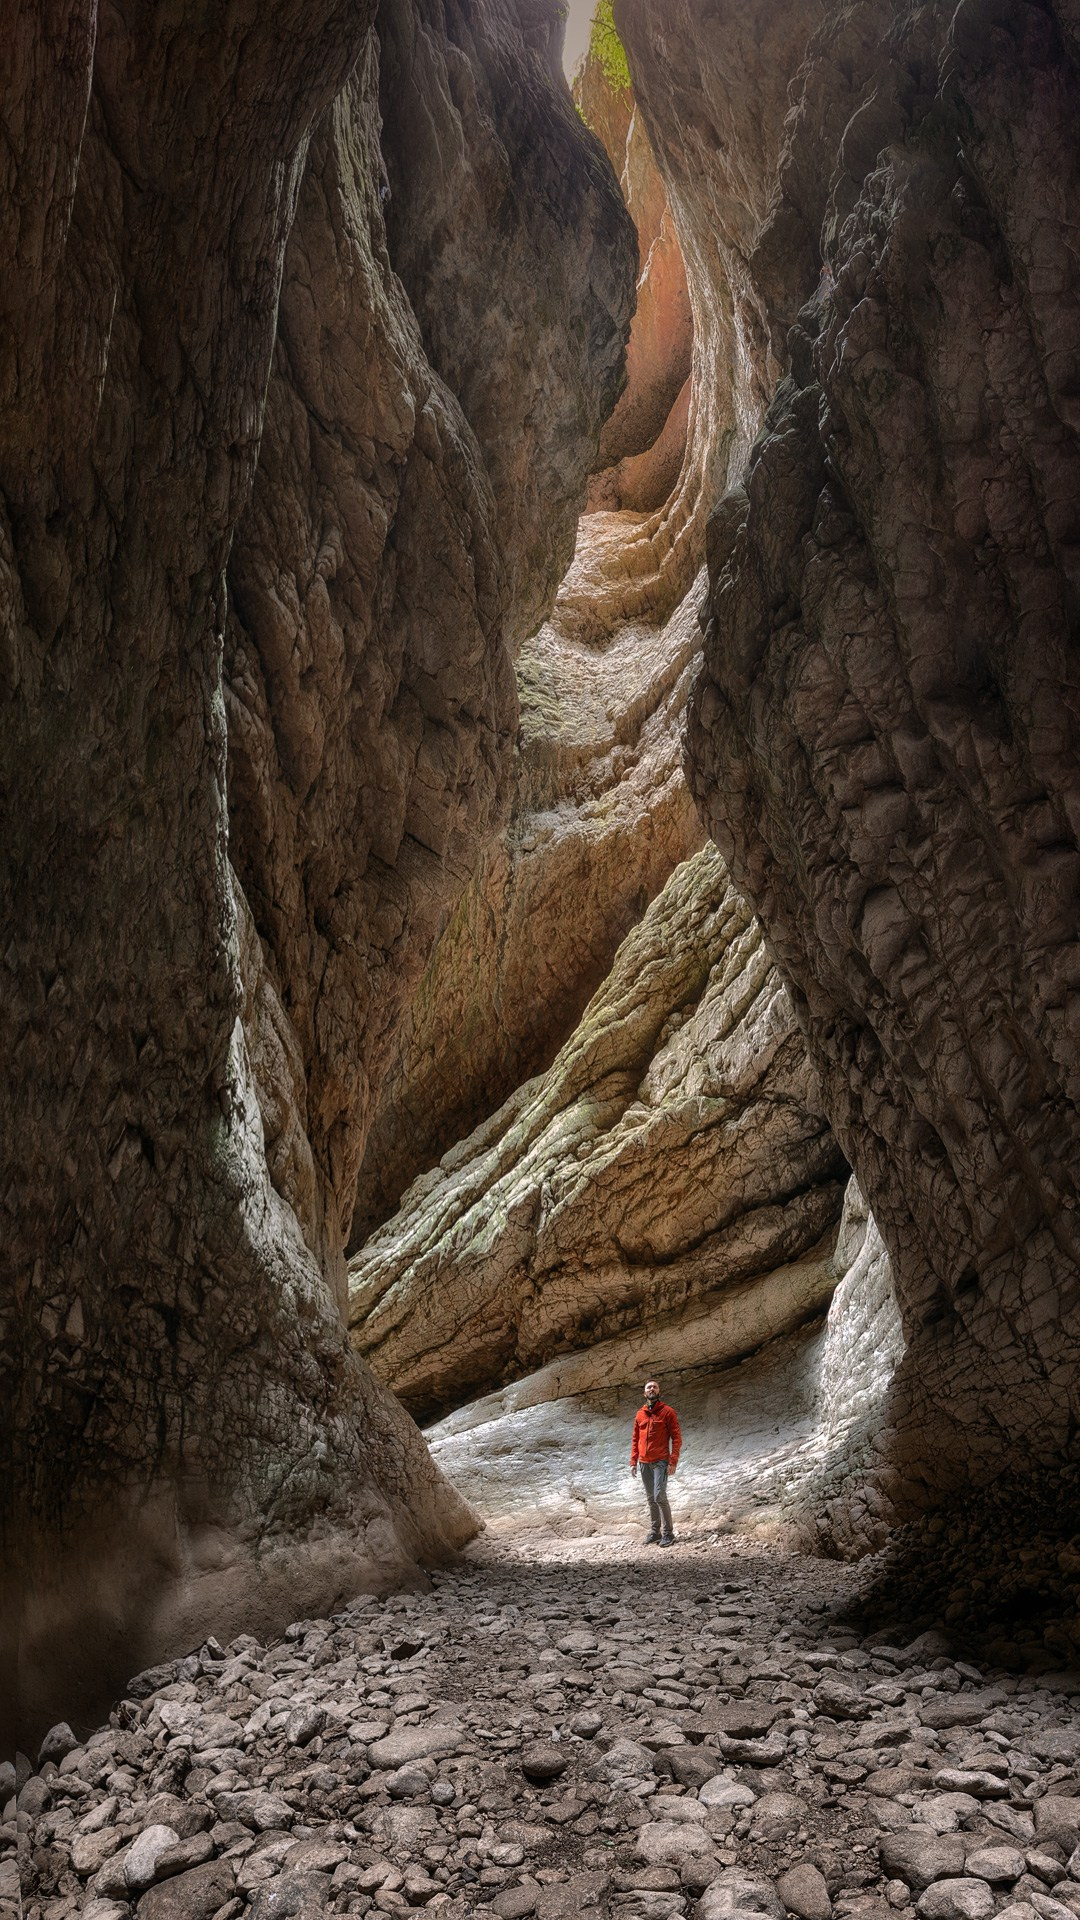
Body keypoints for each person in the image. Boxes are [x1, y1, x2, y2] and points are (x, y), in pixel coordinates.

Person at [630, 1377, 681, 1546]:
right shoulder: (640, 1414)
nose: (652, 1389)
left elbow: (676, 1438)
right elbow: (635, 1439)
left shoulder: (667, 1412)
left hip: (660, 1461)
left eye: (655, 1387)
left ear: (659, 1392)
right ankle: (655, 1532)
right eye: (649, 1387)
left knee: (659, 1495)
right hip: (644, 1462)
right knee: (651, 1497)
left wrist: (673, 1461)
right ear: (644, 1393)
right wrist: (633, 1461)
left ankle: (668, 1533)